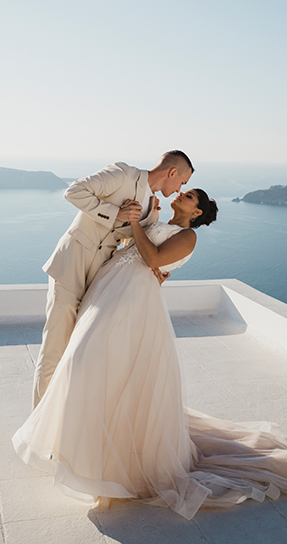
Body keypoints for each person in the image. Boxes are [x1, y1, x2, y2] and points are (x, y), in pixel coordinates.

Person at [14, 188, 287, 520]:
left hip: (132, 298)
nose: (182, 194)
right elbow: (131, 249)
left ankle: (102, 459)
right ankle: (85, 448)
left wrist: (135, 226)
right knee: (98, 363)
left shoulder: (188, 236)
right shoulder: (156, 219)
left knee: (87, 358)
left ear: (197, 212)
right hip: (110, 286)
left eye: (189, 196)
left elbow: (153, 259)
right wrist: (138, 221)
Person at [32, 151, 194, 406]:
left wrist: (153, 274)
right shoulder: (123, 174)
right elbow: (74, 191)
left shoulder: (153, 213)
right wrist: (114, 213)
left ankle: (66, 417)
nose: (179, 189)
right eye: (182, 183)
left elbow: (135, 247)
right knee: (54, 348)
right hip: (71, 263)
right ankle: (39, 428)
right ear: (172, 173)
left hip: (99, 278)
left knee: (80, 350)